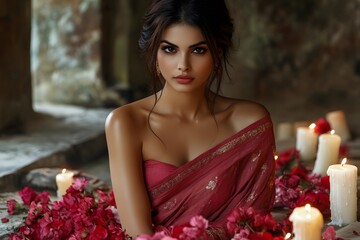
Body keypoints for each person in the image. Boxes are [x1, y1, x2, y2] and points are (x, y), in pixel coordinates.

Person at [105, 0, 276, 238]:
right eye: (170, 49)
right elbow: (137, 234)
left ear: (218, 53)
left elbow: (253, 224)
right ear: (154, 53)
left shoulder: (248, 124)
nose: (183, 65)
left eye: (198, 50)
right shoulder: (126, 123)